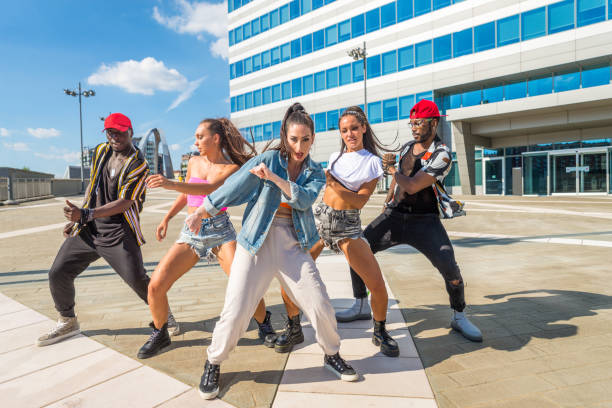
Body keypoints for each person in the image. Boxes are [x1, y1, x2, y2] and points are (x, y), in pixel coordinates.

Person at [190, 103, 358, 400]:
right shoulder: (268, 159)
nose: (300, 146)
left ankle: (332, 354)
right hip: (256, 241)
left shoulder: (315, 171)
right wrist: (202, 211)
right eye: (294, 139)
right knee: (237, 310)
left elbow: (303, 200)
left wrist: (275, 178)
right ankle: (213, 362)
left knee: (319, 302)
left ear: (313, 139)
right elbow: (235, 187)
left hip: (292, 244)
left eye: (306, 140)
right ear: (285, 136)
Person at [341, 100, 482, 342]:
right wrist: (388, 199)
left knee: (451, 269)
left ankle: (459, 316)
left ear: (434, 123)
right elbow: (399, 178)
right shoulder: (408, 146)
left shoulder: (443, 154)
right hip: (394, 216)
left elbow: (414, 184)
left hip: (424, 221)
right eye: (412, 123)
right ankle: (361, 303)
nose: (414, 127)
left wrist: (392, 170)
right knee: (357, 248)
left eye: (419, 122)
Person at [136, 118, 277, 359]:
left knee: (244, 284)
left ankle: (265, 325)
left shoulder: (231, 169)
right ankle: (160, 332)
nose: (196, 141)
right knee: (156, 286)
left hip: (220, 231)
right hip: (191, 232)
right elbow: (187, 192)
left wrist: (169, 183)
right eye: (196, 137)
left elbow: (209, 190)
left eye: (200, 136)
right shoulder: (193, 161)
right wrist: (167, 218)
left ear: (216, 138)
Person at [36, 113, 178, 346]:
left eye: (120, 132)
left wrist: (86, 214)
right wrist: (80, 217)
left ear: (130, 132)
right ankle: (67, 321)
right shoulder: (101, 151)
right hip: (89, 228)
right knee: (58, 272)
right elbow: (94, 187)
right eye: (111, 132)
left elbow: (126, 201)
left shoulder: (138, 163)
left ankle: (166, 316)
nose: (115, 137)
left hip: (118, 232)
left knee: (137, 279)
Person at [273, 106, 399, 357]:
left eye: (354, 128)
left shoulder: (373, 162)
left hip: (348, 225)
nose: (349, 134)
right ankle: (294, 327)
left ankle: (380, 331)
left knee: (376, 284)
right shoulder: (335, 157)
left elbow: (359, 201)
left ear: (364, 127)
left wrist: (333, 183)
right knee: (291, 276)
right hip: (319, 220)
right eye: (344, 130)